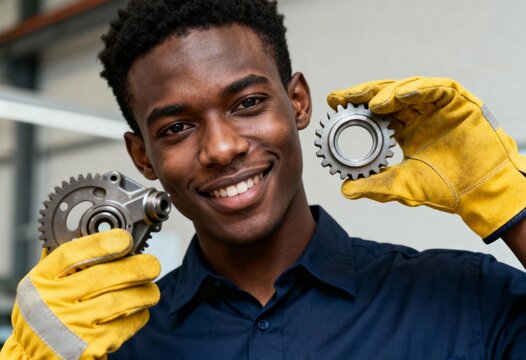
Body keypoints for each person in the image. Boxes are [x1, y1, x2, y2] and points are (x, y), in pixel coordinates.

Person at [1, 0, 526, 359]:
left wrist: (513, 207)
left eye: (248, 103)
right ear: (143, 155)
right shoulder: (107, 346)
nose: (223, 147)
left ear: (297, 102)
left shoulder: (469, 298)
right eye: (177, 127)